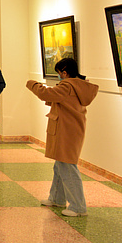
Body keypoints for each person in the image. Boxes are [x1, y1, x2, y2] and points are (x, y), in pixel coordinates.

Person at [26, 58, 98, 217]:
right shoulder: (78, 86)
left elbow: (46, 94)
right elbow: (58, 100)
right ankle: (57, 198)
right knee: (60, 166)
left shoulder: (68, 86)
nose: (58, 76)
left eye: (59, 73)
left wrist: (33, 84)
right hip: (69, 129)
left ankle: (78, 207)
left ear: (65, 72)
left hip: (67, 130)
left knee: (67, 167)